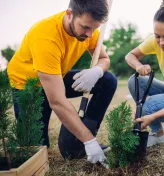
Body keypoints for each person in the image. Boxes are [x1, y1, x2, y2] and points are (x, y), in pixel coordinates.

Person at [7, 0, 117, 163]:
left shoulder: (90, 28)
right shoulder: (46, 36)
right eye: (86, 27)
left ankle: (83, 138)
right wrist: (90, 142)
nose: (90, 34)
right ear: (69, 14)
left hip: (55, 74)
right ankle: (88, 140)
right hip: (27, 85)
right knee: (35, 152)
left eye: (95, 29)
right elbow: (57, 101)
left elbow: (103, 58)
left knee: (107, 80)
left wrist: (96, 71)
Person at [125, 0, 164, 147]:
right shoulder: (156, 41)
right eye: (157, 36)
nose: (161, 42)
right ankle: (158, 135)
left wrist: (152, 116)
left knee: (149, 106)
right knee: (134, 81)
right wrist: (138, 65)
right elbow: (130, 55)